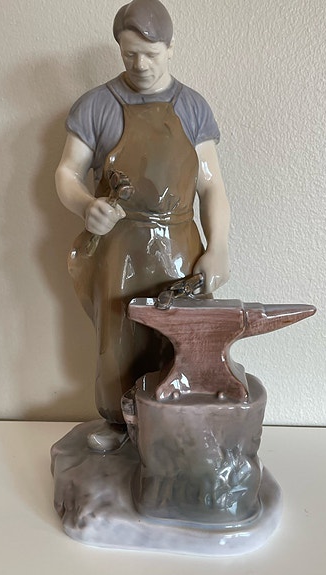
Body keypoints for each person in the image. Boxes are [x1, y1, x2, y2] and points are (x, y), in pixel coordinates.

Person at [55, 0, 231, 451]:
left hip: (180, 247)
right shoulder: (96, 105)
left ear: (170, 48)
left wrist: (218, 247)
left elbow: (211, 186)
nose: (140, 64)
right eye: (129, 54)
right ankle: (118, 424)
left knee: (181, 338)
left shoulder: (192, 107)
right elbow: (67, 173)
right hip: (120, 249)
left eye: (150, 54)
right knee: (118, 340)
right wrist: (86, 205)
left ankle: (177, 426)